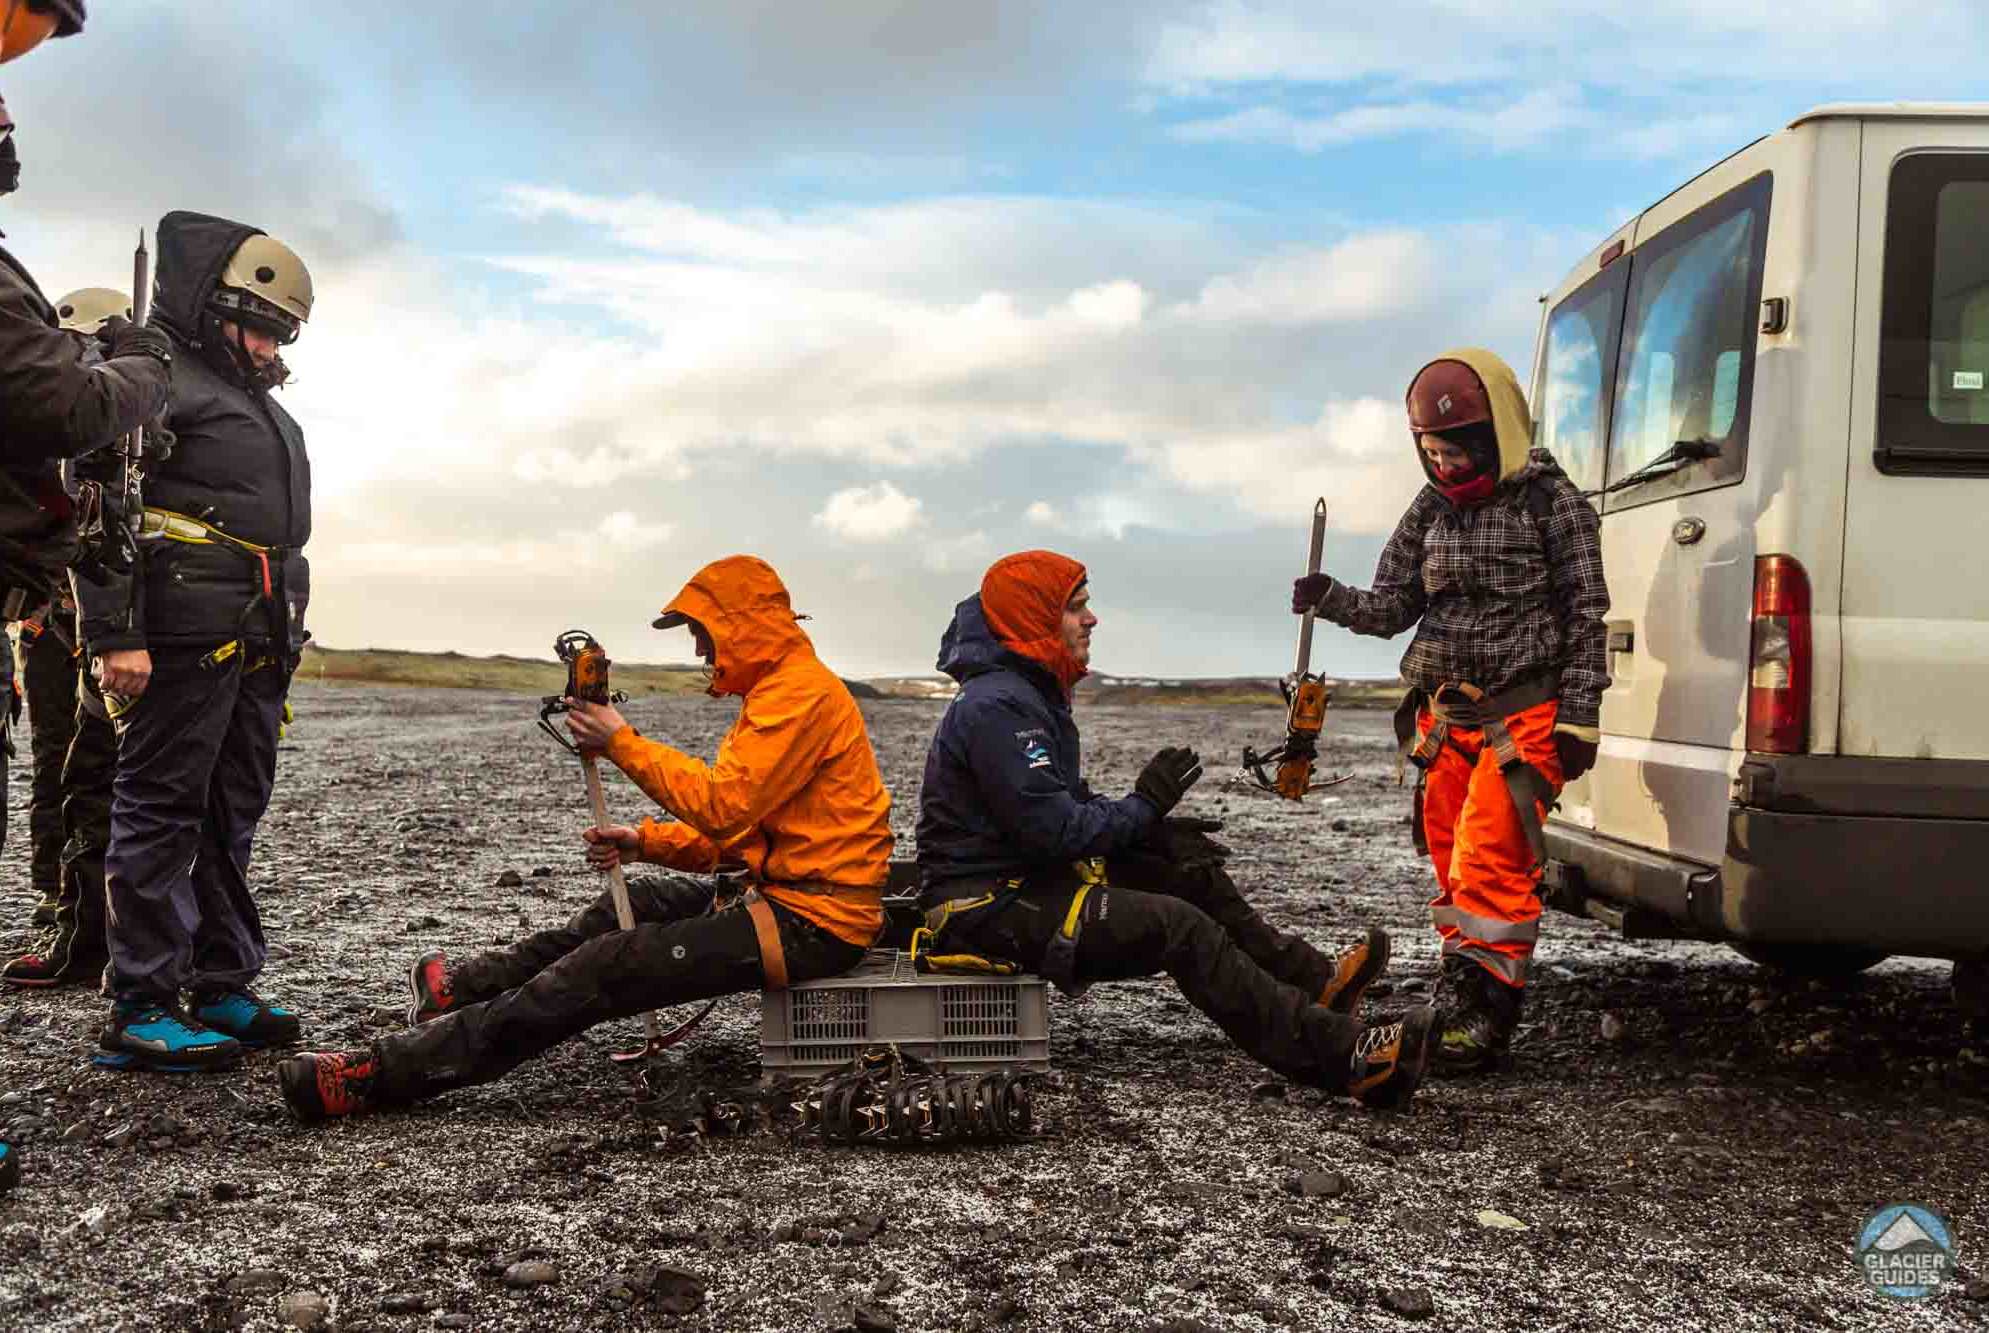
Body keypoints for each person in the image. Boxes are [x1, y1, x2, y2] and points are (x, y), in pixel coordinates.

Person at [278, 555, 893, 1119]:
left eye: (703, 632)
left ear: (739, 626)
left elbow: (725, 806)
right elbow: (746, 837)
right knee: (634, 906)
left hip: (815, 922)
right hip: (782, 896)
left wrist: (620, 742)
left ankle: (381, 1073)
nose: (701, 650)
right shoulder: (781, 691)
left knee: (609, 966)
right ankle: (460, 991)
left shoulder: (799, 696)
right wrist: (643, 841)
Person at [915, 550, 1434, 1108]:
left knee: (1186, 871)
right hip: (984, 908)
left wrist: (1150, 832)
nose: (1092, 620)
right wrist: (1143, 807)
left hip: (1027, 881)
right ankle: (1346, 1058)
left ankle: (1317, 986)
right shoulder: (997, 707)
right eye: (1076, 608)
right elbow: (1056, 833)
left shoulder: (1024, 693)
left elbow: (1056, 811)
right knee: (1177, 927)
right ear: (1035, 619)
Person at [1292, 348, 1608, 1075]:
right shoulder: (1430, 507)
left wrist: (1578, 715)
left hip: (1523, 717)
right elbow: (1392, 604)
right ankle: (1460, 984)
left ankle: (1486, 1017)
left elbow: (1586, 612)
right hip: (1444, 724)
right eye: (1431, 453)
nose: (1445, 468)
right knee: (1450, 863)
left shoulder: (1551, 505)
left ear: (1496, 433)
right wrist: (1330, 598)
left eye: (1458, 452)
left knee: (1492, 862)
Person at [73, 212, 315, 1070]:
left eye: (280, 334)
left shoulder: (253, 401)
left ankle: (221, 981)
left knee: (230, 814)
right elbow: (99, 500)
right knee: (160, 810)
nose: (267, 346)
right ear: (213, 306)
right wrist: (115, 631)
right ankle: (140, 1001)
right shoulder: (153, 375)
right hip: (179, 637)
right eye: (258, 326)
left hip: (257, 640)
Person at [3, 287, 126, 984]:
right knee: (60, 766)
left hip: (93, 624)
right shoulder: (38, 421)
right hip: (52, 623)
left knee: (99, 773)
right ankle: (61, 907)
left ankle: (95, 919)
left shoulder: (123, 429)